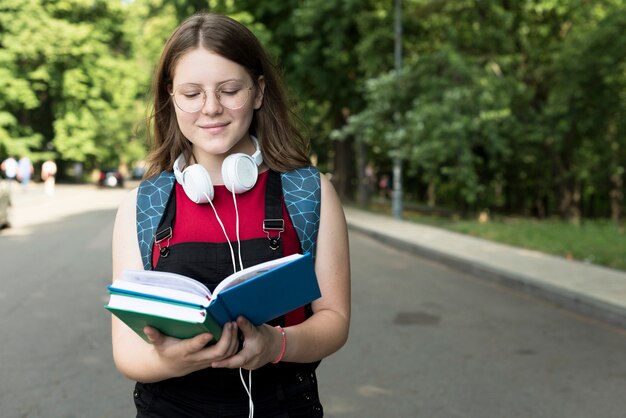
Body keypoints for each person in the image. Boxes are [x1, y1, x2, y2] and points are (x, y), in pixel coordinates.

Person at [111, 13, 350, 417]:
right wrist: (171, 360)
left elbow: (335, 319)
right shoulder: (141, 205)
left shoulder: (310, 192)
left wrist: (277, 344)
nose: (211, 108)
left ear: (257, 92)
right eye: (191, 94)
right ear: (171, 96)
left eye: (229, 90)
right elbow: (127, 352)